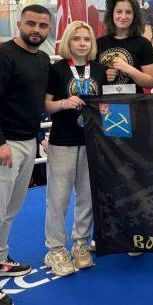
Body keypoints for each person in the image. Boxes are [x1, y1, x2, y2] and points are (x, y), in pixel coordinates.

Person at [0, 4, 52, 305]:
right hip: (2, 144)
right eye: (31, 24)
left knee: (11, 207)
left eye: (43, 26)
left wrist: (38, 135)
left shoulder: (42, 59)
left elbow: (32, 102)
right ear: (20, 24)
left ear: (49, 29)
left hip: (27, 140)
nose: (36, 30)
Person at [43, 21, 104, 276]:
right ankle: (56, 248)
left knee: (87, 196)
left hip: (92, 140)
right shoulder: (57, 69)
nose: (82, 43)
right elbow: (45, 106)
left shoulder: (99, 69)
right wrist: (63, 103)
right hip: (63, 139)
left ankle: (81, 243)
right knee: (58, 197)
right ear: (68, 41)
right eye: (77, 38)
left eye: (87, 39)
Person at [96, 0, 153, 93]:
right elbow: (90, 79)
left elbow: (150, 82)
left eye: (128, 12)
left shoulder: (143, 44)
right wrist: (104, 75)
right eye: (119, 11)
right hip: (104, 102)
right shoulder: (98, 43)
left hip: (134, 102)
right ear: (111, 14)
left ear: (134, 15)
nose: (123, 16)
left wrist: (128, 69)